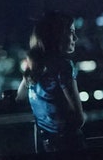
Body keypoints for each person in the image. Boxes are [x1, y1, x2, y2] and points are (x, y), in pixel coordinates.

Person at [17, 12, 86, 152]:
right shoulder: (63, 66)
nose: (76, 38)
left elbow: (20, 97)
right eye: (71, 32)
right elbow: (78, 119)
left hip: (44, 145)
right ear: (58, 35)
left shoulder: (32, 66)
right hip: (69, 145)